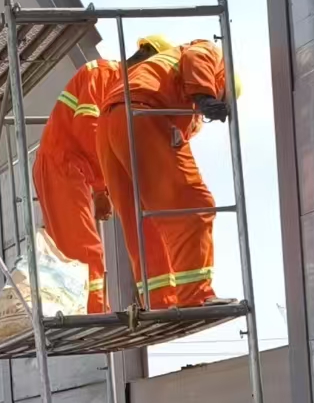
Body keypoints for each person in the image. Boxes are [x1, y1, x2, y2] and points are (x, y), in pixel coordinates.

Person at [32, 36, 170, 314]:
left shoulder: (118, 88)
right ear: (146, 57)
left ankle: (85, 308)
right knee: (85, 248)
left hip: (72, 166)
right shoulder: (101, 74)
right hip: (63, 165)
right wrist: (101, 188)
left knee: (76, 248)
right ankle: (93, 311)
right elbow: (89, 130)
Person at [96, 37, 236, 308]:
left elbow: (181, 133)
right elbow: (198, 58)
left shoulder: (161, 76)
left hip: (111, 121)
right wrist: (206, 97)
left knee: (143, 218)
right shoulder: (209, 53)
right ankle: (195, 295)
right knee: (193, 205)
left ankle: (159, 299)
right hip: (142, 113)